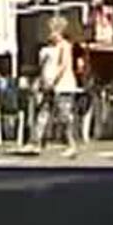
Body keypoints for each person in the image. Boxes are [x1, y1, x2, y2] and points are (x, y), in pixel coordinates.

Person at [38, 16, 81, 157]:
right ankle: (39, 142)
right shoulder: (53, 47)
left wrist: (53, 80)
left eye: (52, 31)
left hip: (63, 86)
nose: (49, 34)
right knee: (45, 112)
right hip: (53, 86)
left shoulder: (65, 46)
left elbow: (63, 65)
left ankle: (71, 145)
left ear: (59, 32)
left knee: (64, 116)